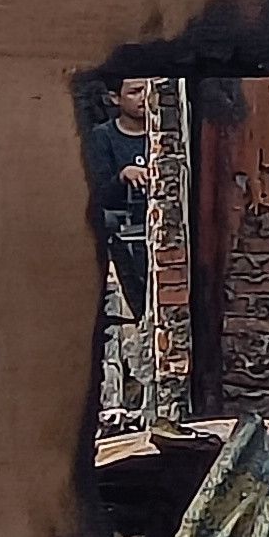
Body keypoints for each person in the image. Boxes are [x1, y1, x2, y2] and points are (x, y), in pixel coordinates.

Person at [85, 77, 157, 410]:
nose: (144, 98)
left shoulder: (164, 137)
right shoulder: (103, 139)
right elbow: (95, 195)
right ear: (114, 98)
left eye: (147, 90)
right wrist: (123, 175)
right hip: (121, 243)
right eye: (135, 92)